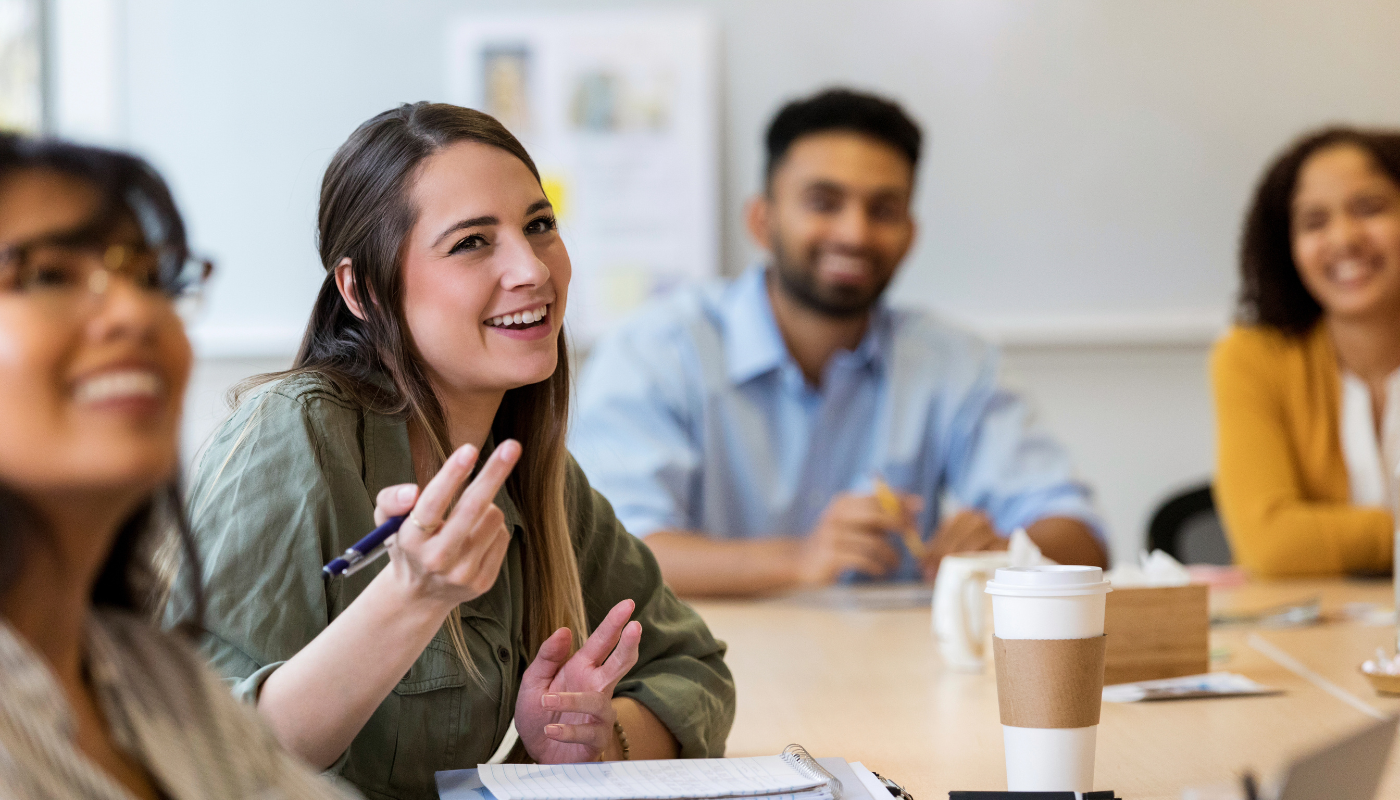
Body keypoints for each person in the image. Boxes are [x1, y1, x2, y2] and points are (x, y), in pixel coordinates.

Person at [167, 103, 734, 800]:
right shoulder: (294, 433)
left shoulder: (528, 468)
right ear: (363, 290)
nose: (532, 268)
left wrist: (595, 739)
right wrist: (410, 600)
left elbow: (693, 667)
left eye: (540, 225)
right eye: (472, 243)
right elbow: (203, 751)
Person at [570, 88, 1107, 598]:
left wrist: (1007, 553)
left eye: (883, 210)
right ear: (762, 220)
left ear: (910, 235)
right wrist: (800, 559)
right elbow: (609, 554)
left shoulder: (953, 362)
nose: (854, 233)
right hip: (708, 674)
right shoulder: (655, 352)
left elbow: (1081, 535)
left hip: (893, 675)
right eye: (824, 203)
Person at [0, 135, 355, 798]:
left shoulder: (155, 677)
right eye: (48, 275)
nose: (137, 313)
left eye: (152, 279)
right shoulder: (296, 423)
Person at [1212, 127, 1400, 578]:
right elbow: (1271, 544)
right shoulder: (1252, 357)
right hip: (1308, 638)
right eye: (1314, 222)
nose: (1344, 238)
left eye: (1369, 208)